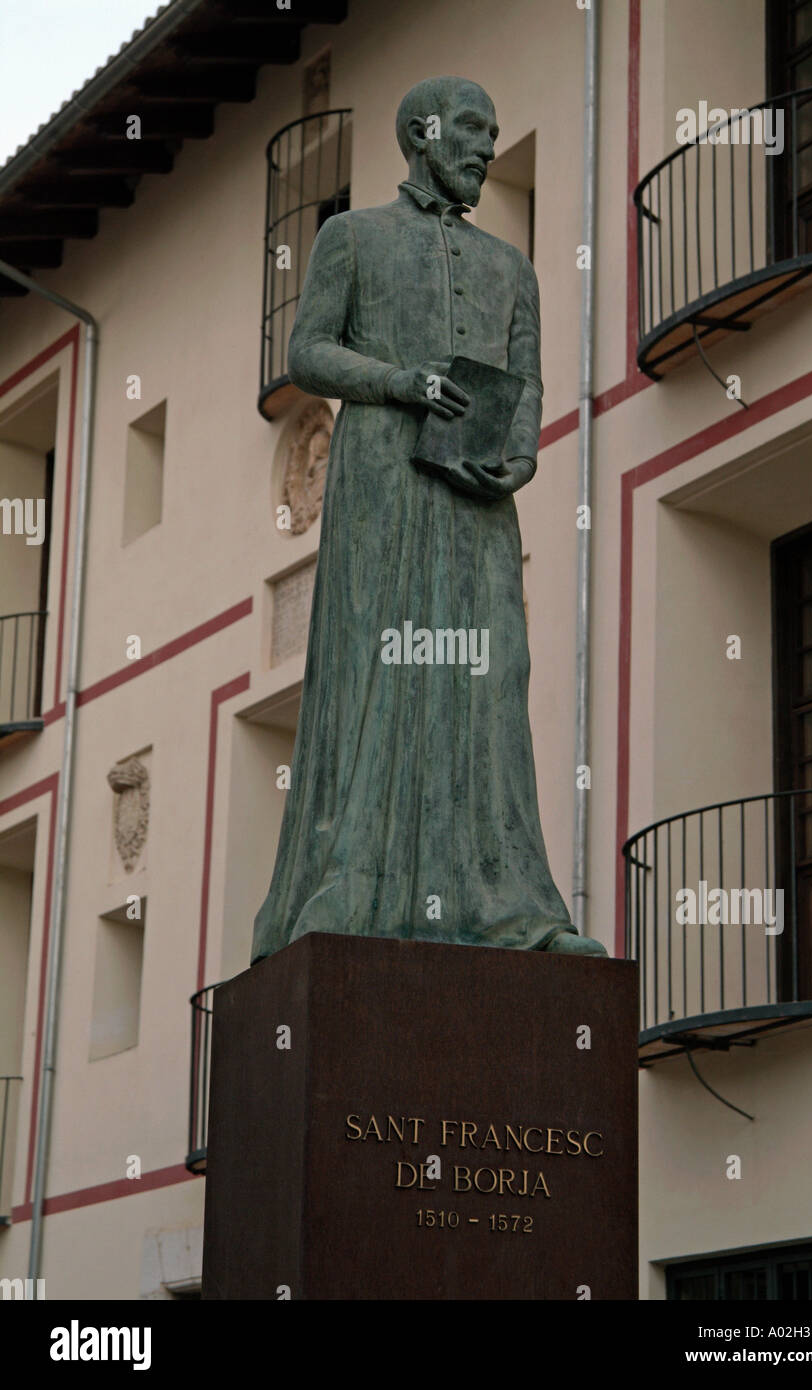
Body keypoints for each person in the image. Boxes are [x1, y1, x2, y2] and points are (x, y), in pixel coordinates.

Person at [251, 76, 606, 961]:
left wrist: (517, 460)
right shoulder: (352, 237)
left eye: (494, 132)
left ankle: (512, 907)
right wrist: (398, 382)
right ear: (422, 132)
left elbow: (521, 388)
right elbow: (309, 351)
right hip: (381, 481)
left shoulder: (511, 269)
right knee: (377, 672)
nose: (487, 147)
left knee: (490, 684)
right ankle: (354, 893)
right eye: (474, 130)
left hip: (476, 500)